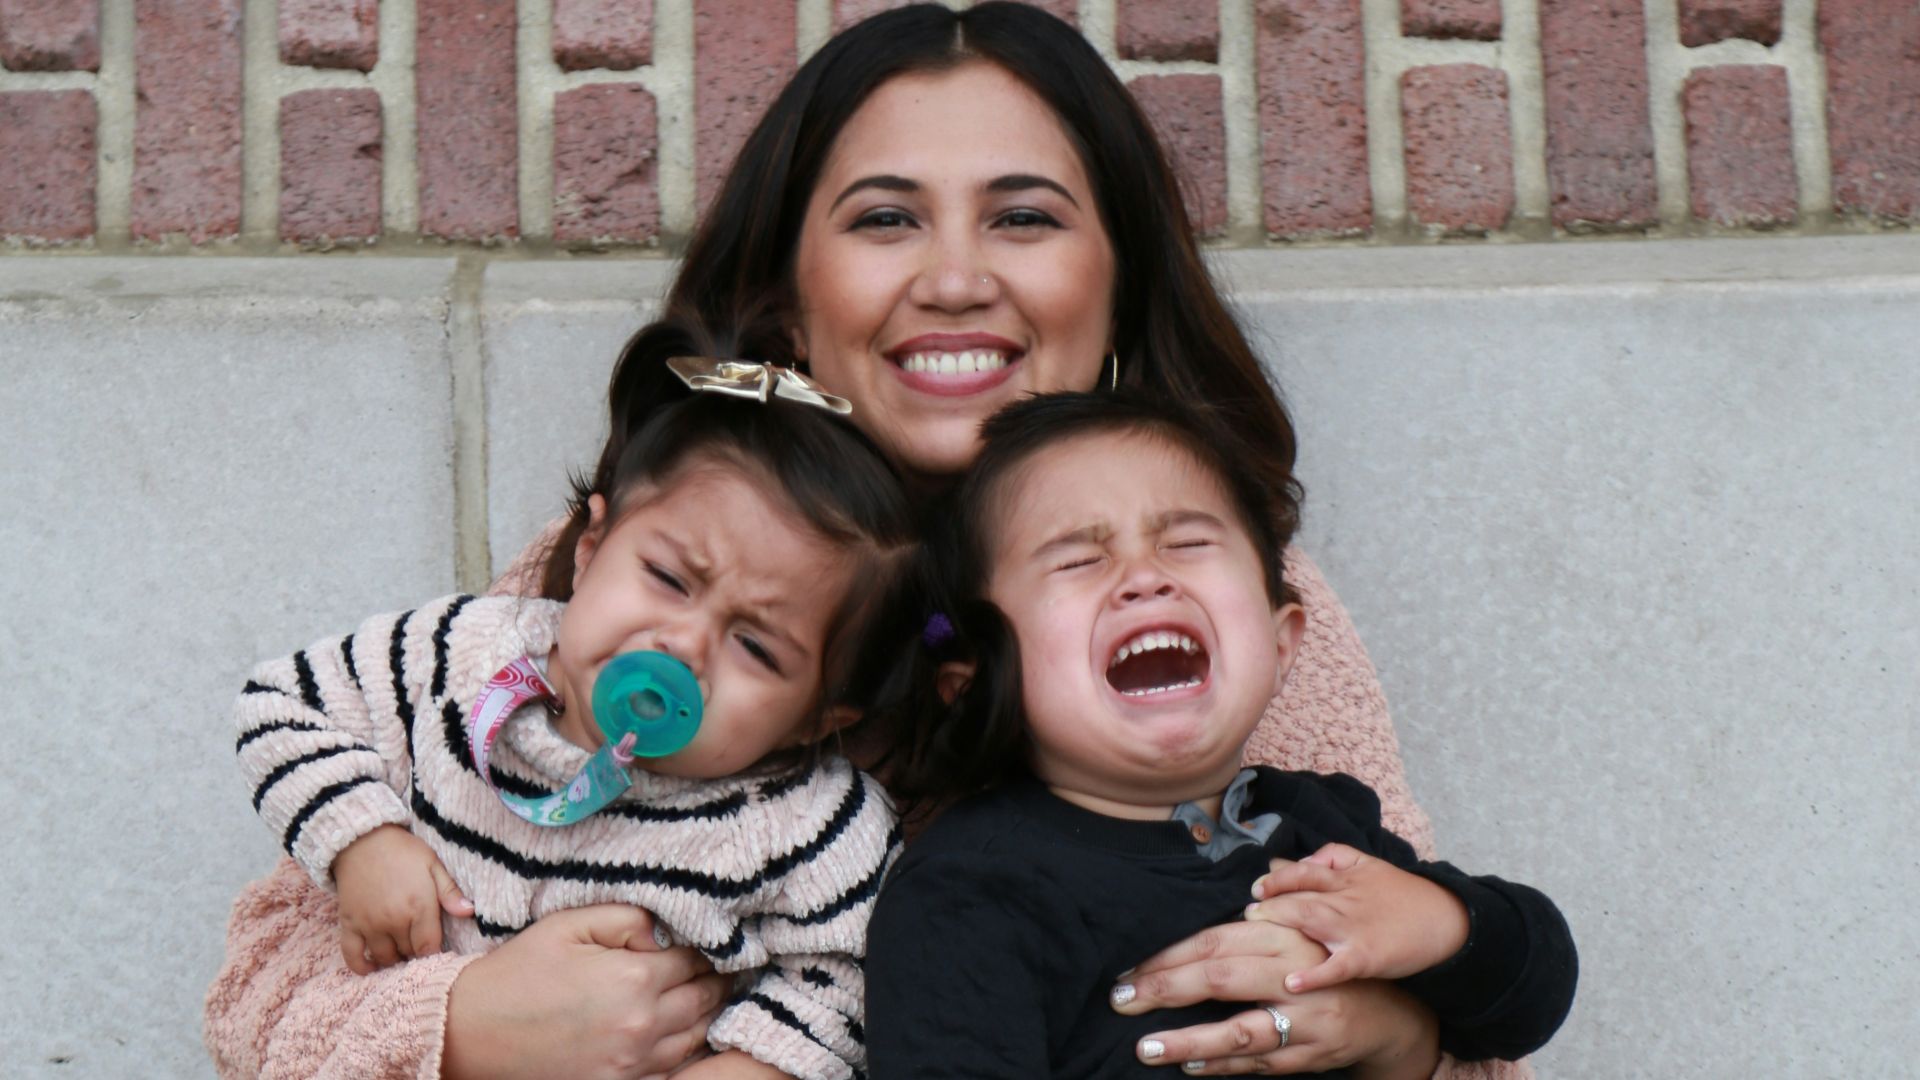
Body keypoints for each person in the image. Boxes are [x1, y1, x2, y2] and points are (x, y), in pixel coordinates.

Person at [205, 5, 1534, 1077]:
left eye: (1024, 216)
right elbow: (264, 993)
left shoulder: (1215, 608)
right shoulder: (628, 569)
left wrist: (1400, 1042)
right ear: (789, 298)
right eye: (886, 218)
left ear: (1120, 288)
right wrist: (463, 1030)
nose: (954, 278)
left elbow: (1457, 991)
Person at [863, 393, 1577, 1077]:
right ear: (978, 681)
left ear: (1281, 644)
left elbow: (1529, 999)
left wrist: (1441, 925)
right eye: (1079, 559)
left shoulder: (1324, 826)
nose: (1145, 578)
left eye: (1188, 542)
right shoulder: (970, 891)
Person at [229, 384, 917, 1080]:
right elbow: (284, 704)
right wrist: (363, 843)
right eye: (668, 579)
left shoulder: (806, 823)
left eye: (757, 648)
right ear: (590, 547)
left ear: (815, 719)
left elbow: (847, 984)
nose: (684, 645)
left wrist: (749, 1066)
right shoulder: (460, 657)